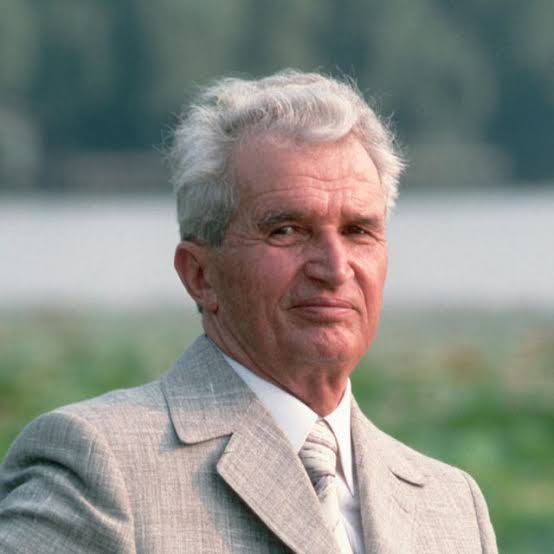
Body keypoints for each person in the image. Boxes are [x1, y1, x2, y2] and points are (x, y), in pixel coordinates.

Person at [0, 70, 497, 553]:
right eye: (287, 230)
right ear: (200, 275)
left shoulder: (452, 506)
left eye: (357, 231)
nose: (334, 268)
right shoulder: (97, 467)